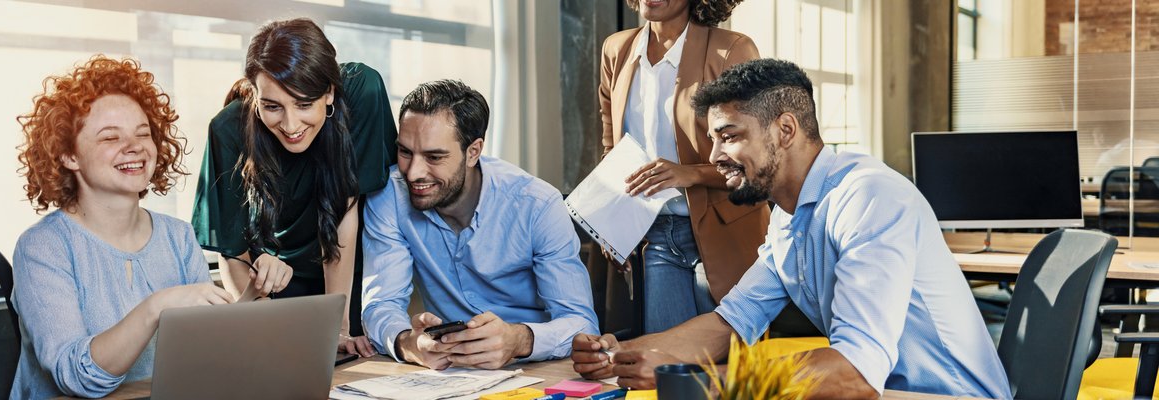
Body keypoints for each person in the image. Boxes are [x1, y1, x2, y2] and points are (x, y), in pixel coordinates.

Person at [571, 59, 1012, 399]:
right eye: (712, 140)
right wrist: (623, 356)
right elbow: (731, 321)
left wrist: (704, 383)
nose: (714, 155)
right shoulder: (788, 216)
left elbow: (856, 371)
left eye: (729, 136)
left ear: (785, 129)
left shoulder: (868, 198)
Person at [10, 56, 237, 399]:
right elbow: (77, 377)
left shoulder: (178, 236)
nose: (134, 147)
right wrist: (156, 307)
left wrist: (255, 297)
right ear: (69, 156)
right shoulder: (43, 247)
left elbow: (209, 352)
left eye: (143, 133)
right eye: (109, 138)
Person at [191, 18, 397, 357]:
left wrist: (340, 327)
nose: (290, 125)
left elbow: (344, 212)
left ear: (329, 92)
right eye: (272, 106)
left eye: (304, 104)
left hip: (346, 283)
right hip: (275, 285)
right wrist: (262, 328)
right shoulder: (228, 129)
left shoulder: (362, 92)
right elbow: (233, 253)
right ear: (254, 94)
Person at [362, 79, 599, 370]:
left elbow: (582, 324)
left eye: (434, 156)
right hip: (448, 374)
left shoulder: (538, 205)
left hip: (536, 367)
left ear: (473, 152)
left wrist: (519, 340)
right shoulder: (389, 196)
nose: (413, 173)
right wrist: (407, 343)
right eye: (406, 152)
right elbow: (380, 304)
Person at [599, 0, 769, 333]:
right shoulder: (616, 50)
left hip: (725, 231)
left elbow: (758, 155)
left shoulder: (732, 50)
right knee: (667, 366)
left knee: (728, 371)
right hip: (657, 234)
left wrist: (688, 173)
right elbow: (611, 149)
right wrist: (610, 218)